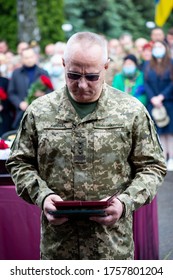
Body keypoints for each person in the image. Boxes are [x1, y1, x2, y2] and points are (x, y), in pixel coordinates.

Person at [6, 31, 166, 260]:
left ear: (106, 67)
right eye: (73, 75)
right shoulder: (39, 112)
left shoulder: (131, 111)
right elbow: (19, 162)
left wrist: (125, 202)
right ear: (63, 64)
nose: (82, 85)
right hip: (58, 248)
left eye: (91, 76)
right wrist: (42, 195)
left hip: (112, 248)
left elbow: (153, 166)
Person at [143, 40, 173, 171]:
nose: (157, 49)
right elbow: (146, 83)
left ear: (165, 48)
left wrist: (162, 96)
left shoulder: (171, 63)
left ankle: (171, 157)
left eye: (160, 46)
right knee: (158, 131)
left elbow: (172, 83)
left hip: (168, 101)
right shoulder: (148, 64)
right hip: (153, 102)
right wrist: (153, 98)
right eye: (155, 47)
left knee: (170, 132)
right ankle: (162, 158)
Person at [8, 47, 52, 130]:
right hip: (22, 113)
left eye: (31, 57)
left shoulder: (43, 72)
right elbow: (11, 93)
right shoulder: (16, 73)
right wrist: (19, 103)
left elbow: (51, 91)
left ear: (35, 57)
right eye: (26, 58)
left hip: (40, 113)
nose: (29, 60)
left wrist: (42, 94)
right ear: (22, 59)